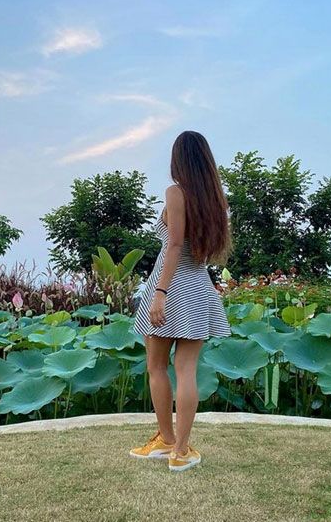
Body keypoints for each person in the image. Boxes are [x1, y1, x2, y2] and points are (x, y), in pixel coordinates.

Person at [130, 130, 232, 472]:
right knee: (186, 370)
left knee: (157, 366)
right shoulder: (216, 201)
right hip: (198, 288)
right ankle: (179, 449)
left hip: (170, 286)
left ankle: (168, 439)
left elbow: (174, 245)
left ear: (178, 159)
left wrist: (160, 293)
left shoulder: (176, 193)